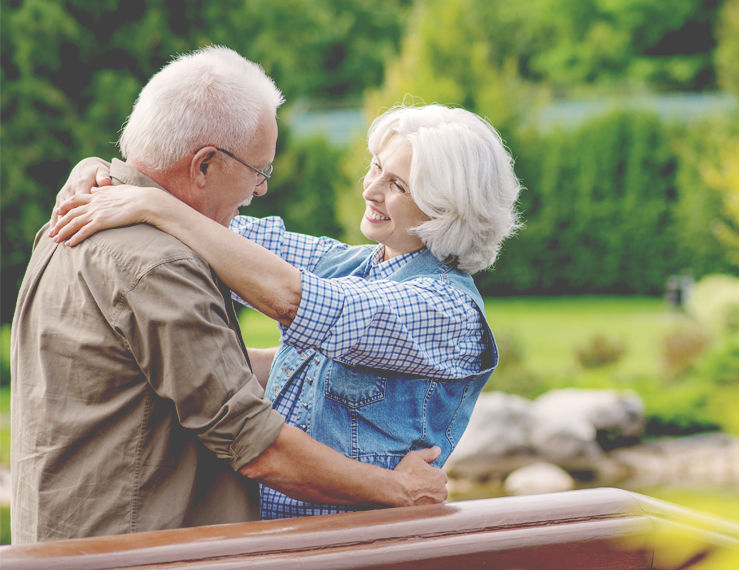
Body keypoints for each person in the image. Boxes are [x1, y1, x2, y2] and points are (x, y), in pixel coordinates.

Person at [11, 46, 448, 543]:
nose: (261, 189)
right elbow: (258, 445)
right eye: (260, 170)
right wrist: (397, 489)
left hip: (65, 558)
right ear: (204, 166)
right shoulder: (160, 264)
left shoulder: (73, 217)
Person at [47, 104, 522, 520]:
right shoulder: (353, 263)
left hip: (357, 553)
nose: (371, 189)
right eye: (375, 168)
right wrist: (106, 173)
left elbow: (294, 299)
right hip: (284, 544)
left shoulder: (446, 310)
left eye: (397, 183)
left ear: (448, 209)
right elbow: (221, 225)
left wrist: (153, 205)